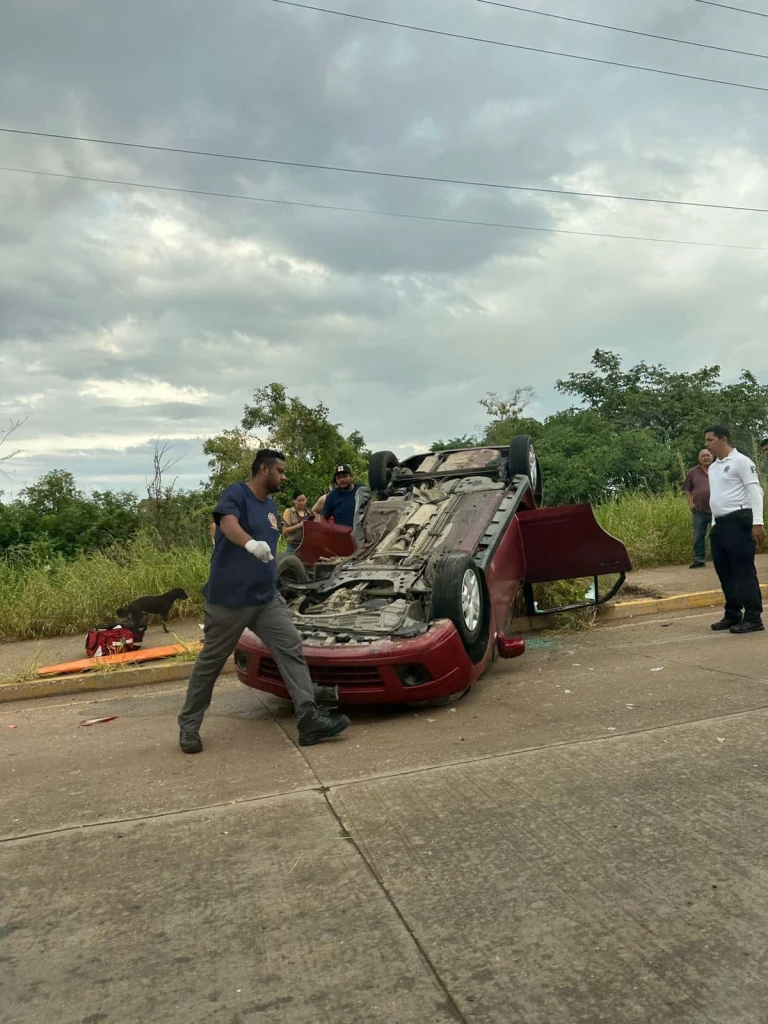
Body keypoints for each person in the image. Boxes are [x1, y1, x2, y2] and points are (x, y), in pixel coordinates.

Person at [177, 449, 351, 753]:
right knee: (210, 664)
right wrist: (249, 543)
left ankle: (308, 720)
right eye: (280, 471)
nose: (284, 477)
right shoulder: (237, 494)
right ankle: (189, 725)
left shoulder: (271, 506)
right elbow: (227, 524)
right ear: (263, 470)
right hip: (229, 602)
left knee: (290, 646)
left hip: (265, 600)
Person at [704, 425, 765, 635]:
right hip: (720, 524)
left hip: (739, 521)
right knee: (725, 572)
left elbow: (755, 491)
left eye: (710, 440)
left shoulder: (741, 462)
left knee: (743, 571)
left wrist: (758, 522)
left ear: (723, 439)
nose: (707, 445)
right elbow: (717, 498)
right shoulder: (713, 467)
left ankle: (753, 617)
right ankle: (732, 613)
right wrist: (714, 524)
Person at [683, 449, 713, 568]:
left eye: (708, 455)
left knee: (718, 535)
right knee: (698, 535)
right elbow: (687, 489)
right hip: (699, 509)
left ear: (712, 457)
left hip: (717, 509)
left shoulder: (718, 469)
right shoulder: (693, 472)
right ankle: (699, 559)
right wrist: (690, 503)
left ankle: (721, 558)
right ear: (699, 459)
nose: (706, 457)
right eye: (703, 456)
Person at [319, 464, 361, 528]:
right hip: (342, 535)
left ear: (351, 477)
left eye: (344, 476)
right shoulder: (332, 496)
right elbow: (323, 517)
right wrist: (328, 532)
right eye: (338, 478)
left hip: (363, 533)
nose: (341, 480)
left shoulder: (361, 490)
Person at [282, 489, 314, 555]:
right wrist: (299, 525)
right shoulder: (289, 512)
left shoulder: (309, 513)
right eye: (299, 501)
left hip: (307, 546)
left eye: (304, 500)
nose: (302, 503)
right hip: (293, 546)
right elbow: (284, 531)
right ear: (293, 500)